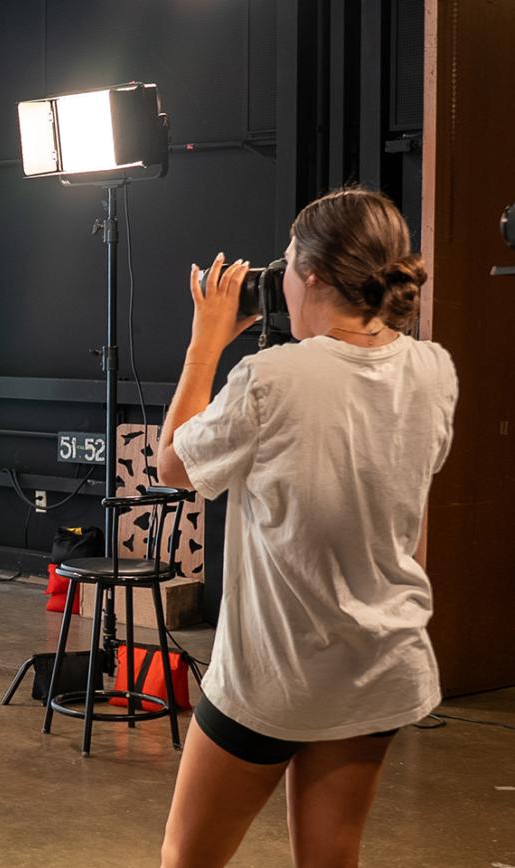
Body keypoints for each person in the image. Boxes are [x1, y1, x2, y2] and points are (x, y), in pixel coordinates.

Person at [155, 187, 457, 867]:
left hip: (274, 674)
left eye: (287, 261)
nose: (280, 277)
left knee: (186, 858)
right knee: (329, 859)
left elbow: (173, 464)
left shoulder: (271, 377)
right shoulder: (433, 370)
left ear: (313, 275)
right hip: (378, 665)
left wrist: (205, 344)